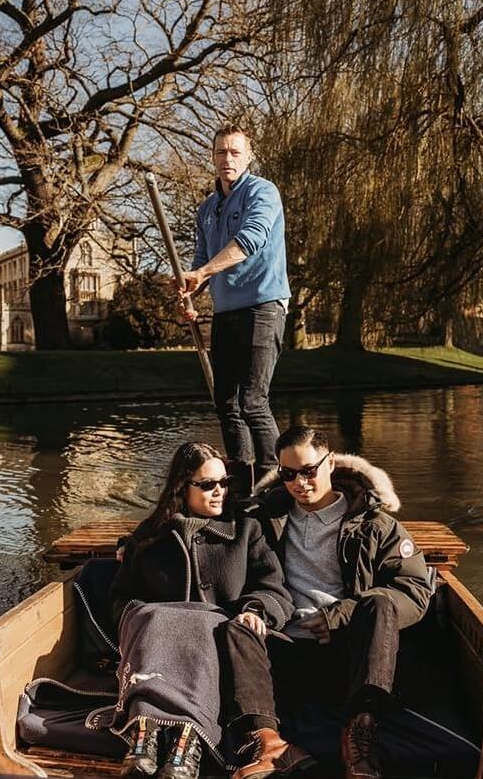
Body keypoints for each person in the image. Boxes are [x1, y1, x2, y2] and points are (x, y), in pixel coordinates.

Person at [221, 427, 434, 779]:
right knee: (237, 628)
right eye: (288, 474)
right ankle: (269, 743)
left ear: (330, 462)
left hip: (345, 650)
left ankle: (360, 734)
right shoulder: (263, 515)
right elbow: (203, 517)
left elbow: (414, 591)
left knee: (381, 604)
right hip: (285, 646)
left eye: (308, 471)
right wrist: (135, 542)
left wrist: (342, 615)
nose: (299, 483)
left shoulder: (375, 524)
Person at [107, 443, 311, 779]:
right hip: (160, 653)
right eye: (207, 485)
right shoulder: (148, 538)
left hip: (220, 651)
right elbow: (121, 599)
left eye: (224, 482)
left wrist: (255, 609)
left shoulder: (246, 528)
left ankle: (186, 743)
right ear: (181, 488)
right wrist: (139, 617)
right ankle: (146, 735)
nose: (219, 491)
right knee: (155, 616)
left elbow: (274, 587)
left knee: (203, 622)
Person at [180, 124, 291, 482]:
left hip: (263, 304)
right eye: (221, 152)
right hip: (227, 310)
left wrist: (204, 272)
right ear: (212, 157)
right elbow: (201, 261)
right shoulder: (207, 208)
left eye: (235, 152)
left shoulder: (263, 192)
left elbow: (250, 241)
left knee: (253, 401)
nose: (228, 159)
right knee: (225, 402)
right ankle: (243, 483)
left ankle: (276, 480)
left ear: (248, 156)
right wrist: (190, 287)